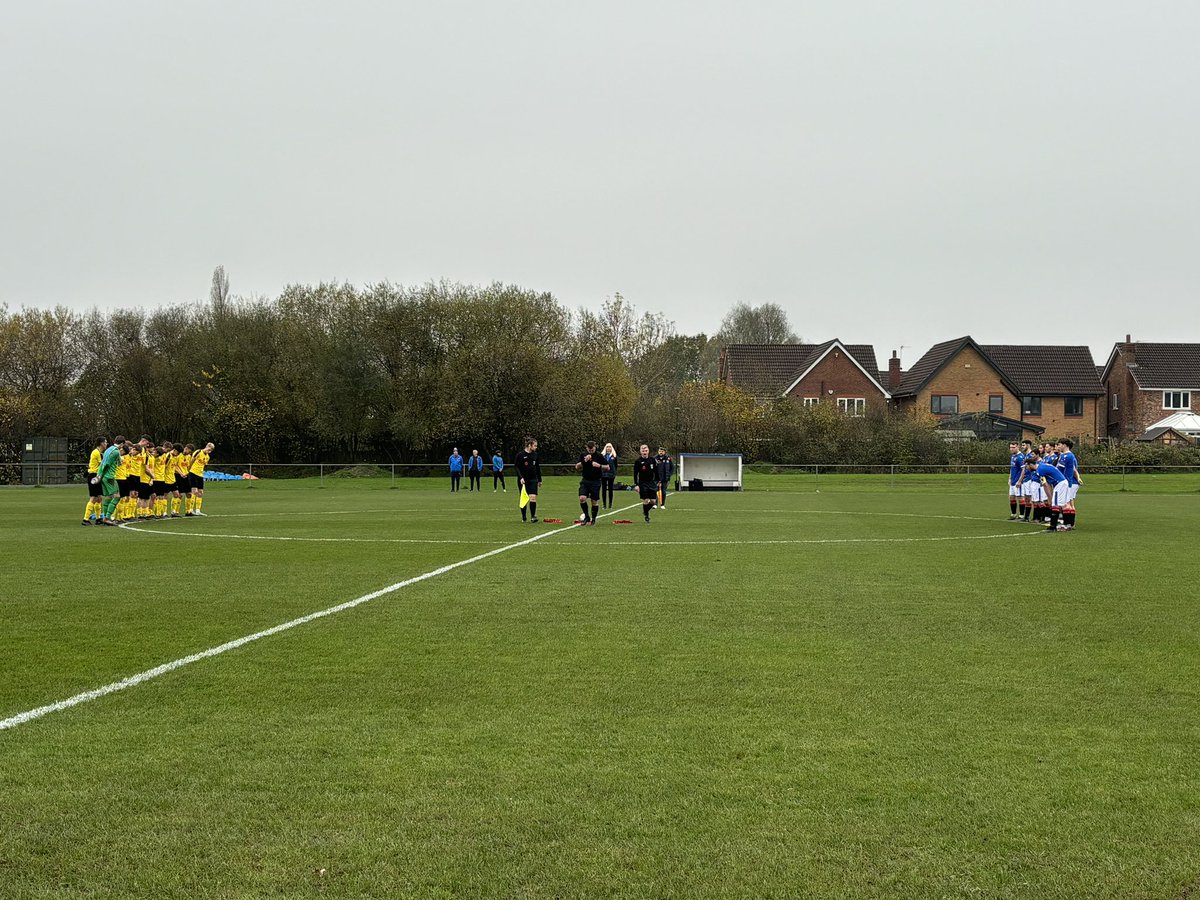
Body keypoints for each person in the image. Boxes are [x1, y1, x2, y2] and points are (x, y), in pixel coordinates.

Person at [1025, 455, 1069, 532]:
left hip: (1060, 484)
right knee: (1062, 504)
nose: (1026, 468)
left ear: (1031, 465)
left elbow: (1045, 485)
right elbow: (1049, 483)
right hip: (1061, 483)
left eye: (1027, 466)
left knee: (1055, 504)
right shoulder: (1042, 466)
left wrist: (1050, 498)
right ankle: (1067, 524)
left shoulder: (1040, 470)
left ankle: (1053, 527)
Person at [574, 440, 608, 525]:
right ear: (587, 448)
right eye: (589, 450)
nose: (591, 451)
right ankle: (586, 516)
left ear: (595, 448)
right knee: (582, 498)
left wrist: (599, 465)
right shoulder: (583, 455)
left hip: (596, 481)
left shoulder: (599, 456)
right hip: (585, 480)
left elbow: (608, 467)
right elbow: (577, 467)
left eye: (592, 450)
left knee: (594, 501)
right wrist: (584, 461)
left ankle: (593, 519)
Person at [95, 435, 125, 525]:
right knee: (117, 496)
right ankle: (107, 517)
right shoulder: (116, 452)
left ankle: (105, 518)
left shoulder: (108, 449)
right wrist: (102, 475)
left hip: (103, 476)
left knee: (108, 497)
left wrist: (99, 475)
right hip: (109, 477)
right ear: (122, 444)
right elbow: (107, 464)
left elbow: (104, 463)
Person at [1056, 439, 1082, 530]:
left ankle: (1069, 524)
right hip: (1064, 482)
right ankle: (1069, 524)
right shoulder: (1063, 455)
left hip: (1067, 482)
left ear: (1065, 445)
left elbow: (1072, 470)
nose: (1058, 446)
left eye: (1059, 445)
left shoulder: (1068, 456)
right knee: (1067, 503)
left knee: (1067, 503)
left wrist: (1075, 479)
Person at [82, 437, 108, 525]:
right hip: (94, 476)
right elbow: (102, 465)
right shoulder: (96, 453)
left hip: (97, 476)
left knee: (99, 498)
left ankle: (98, 518)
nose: (106, 444)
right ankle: (85, 519)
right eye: (105, 442)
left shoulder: (100, 453)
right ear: (101, 443)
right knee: (93, 497)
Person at [515, 436, 541, 523]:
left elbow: (537, 468)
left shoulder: (535, 455)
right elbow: (517, 467)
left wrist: (539, 480)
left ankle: (533, 516)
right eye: (535, 445)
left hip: (533, 480)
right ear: (530, 445)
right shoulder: (520, 455)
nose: (536, 447)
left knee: (533, 497)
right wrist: (521, 478)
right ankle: (524, 517)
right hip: (523, 481)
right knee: (524, 499)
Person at [633, 444, 658, 524]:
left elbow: (656, 471)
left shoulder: (652, 460)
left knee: (653, 501)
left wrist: (658, 481)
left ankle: (645, 511)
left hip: (651, 483)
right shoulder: (638, 461)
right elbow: (635, 473)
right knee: (646, 500)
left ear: (648, 451)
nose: (644, 452)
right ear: (640, 452)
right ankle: (646, 515)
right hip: (642, 483)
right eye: (643, 451)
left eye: (646, 451)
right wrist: (636, 484)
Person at [188, 441, 214, 515]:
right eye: (209, 449)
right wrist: (189, 470)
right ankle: (190, 510)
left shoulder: (207, 457)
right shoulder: (198, 452)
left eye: (211, 450)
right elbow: (192, 461)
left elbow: (203, 465)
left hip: (200, 475)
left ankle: (198, 510)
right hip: (193, 473)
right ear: (207, 446)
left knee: (200, 492)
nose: (210, 451)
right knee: (194, 491)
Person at [1007, 441, 1024, 520]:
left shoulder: (1020, 457)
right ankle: (1013, 514)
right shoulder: (1013, 456)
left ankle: (1021, 515)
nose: (1011, 449)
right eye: (1010, 447)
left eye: (1013, 447)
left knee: (1020, 498)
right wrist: (1009, 478)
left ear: (1018, 447)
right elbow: (1012, 468)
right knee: (1011, 497)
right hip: (1013, 481)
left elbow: (1023, 469)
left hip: (1017, 481)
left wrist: (1020, 481)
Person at [600, 442, 618, 509]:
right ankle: (604, 505)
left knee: (610, 489)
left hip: (611, 474)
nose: (608, 448)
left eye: (610, 447)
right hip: (603, 474)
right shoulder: (602, 456)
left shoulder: (614, 456)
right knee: (604, 489)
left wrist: (614, 472)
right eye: (607, 447)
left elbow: (615, 466)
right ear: (605, 448)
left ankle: (610, 504)